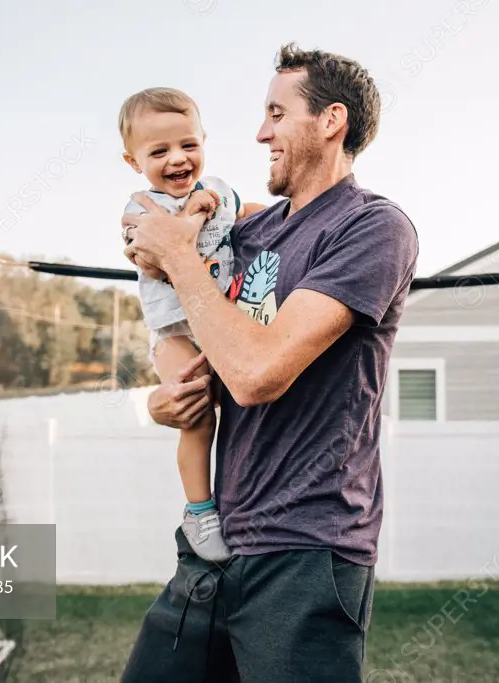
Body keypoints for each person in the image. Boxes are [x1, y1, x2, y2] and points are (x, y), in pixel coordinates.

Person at [119, 43, 419, 683]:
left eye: (276, 114)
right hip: (218, 538)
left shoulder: (372, 228)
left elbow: (257, 374)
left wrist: (178, 256)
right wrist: (159, 398)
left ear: (330, 120)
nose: (260, 133)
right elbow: (189, 319)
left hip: (307, 546)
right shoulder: (251, 233)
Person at [118, 87, 267, 562]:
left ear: (204, 140)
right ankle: (200, 511)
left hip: (222, 320)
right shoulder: (140, 206)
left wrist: (286, 217)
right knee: (198, 414)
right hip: (177, 332)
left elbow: (246, 212)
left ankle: (239, 498)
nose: (178, 159)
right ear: (132, 160)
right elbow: (159, 257)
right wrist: (191, 216)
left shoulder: (220, 189)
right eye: (159, 151)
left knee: (244, 403)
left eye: (188, 145)